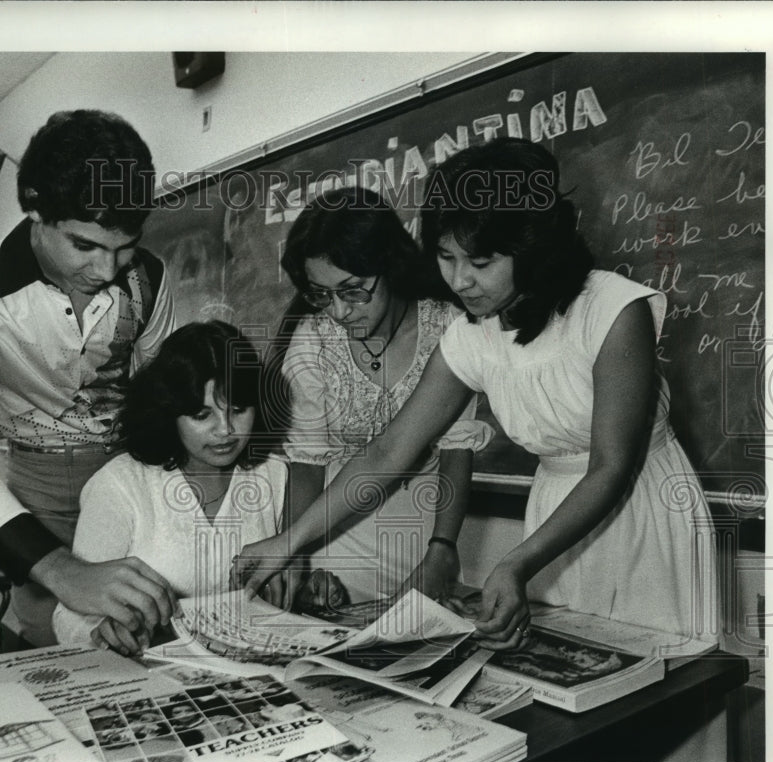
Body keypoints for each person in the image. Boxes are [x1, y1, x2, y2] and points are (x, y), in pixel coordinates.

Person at [235, 138, 718, 649]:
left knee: (663, 677)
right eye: (445, 257)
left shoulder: (614, 310)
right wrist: (288, 542)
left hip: (643, 512)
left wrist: (516, 561)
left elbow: (611, 466)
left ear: (530, 246)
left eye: (481, 262)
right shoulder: (474, 333)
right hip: (551, 519)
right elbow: (387, 451)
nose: (459, 279)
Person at [0, 110, 177, 646]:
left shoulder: (150, 277)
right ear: (35, 208)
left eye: (123, 245)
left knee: (145, 642)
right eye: (85, 245)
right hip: (35, 494)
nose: (107, 270)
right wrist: (62, 571)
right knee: (48, 644)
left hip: (130, 480)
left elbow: (159, 400)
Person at [273, 186, 491, 603]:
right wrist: (295, 553)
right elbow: (306, 465)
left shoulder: (448, 328)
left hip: (425, 540)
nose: (338, 311)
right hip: (332, 538)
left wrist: (442, 548)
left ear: (389, 265)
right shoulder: (313, 341)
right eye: (322, 294)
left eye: (353, 290)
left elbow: (456, 451)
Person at [52, 321, 288, 653]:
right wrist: (102, 631)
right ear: (169, 412)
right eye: (202, 415)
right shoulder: (120, 485)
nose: (225, 430)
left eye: (238, 410)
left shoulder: (274, 475)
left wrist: (309, 587)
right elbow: (69, 617)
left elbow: (284, 584)